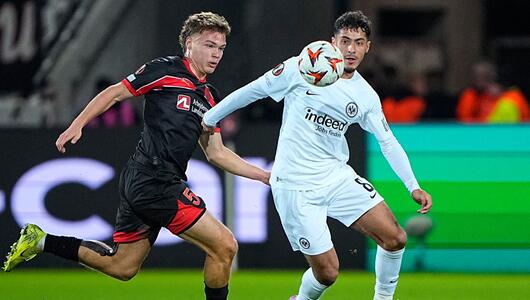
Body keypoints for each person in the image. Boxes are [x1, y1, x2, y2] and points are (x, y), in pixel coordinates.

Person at [3, 12, 270, 300]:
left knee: (122, 266)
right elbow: (116, 93)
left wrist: (264, 175)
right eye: (209, 45)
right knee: (225, 245)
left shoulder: (210, 96)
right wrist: (77, 124)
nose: (216, 54)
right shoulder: (165, 70)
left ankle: (41, 241)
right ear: (189, 43)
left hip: (148, 180)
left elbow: (216, 153)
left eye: (220, 48)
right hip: (154, 179)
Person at [202, 10, 432, 300]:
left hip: (337, 177)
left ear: (367, 47)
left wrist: (413, 185)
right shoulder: (301, 68)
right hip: (296, 186)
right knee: (327, 273)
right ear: (332, 41)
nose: (351, 49)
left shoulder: (365, 96)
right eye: (345, 41)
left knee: (395, 238)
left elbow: (388, 141)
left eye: (359, 42)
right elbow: (254, 91)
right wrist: (210, 117)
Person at [456, 61, 529, 123]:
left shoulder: (511, 97)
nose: (478, 79)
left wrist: (498, 98)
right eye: (475, 76)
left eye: (483, 76)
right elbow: (464, 121)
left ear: (493, 76)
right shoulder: (470, 94)